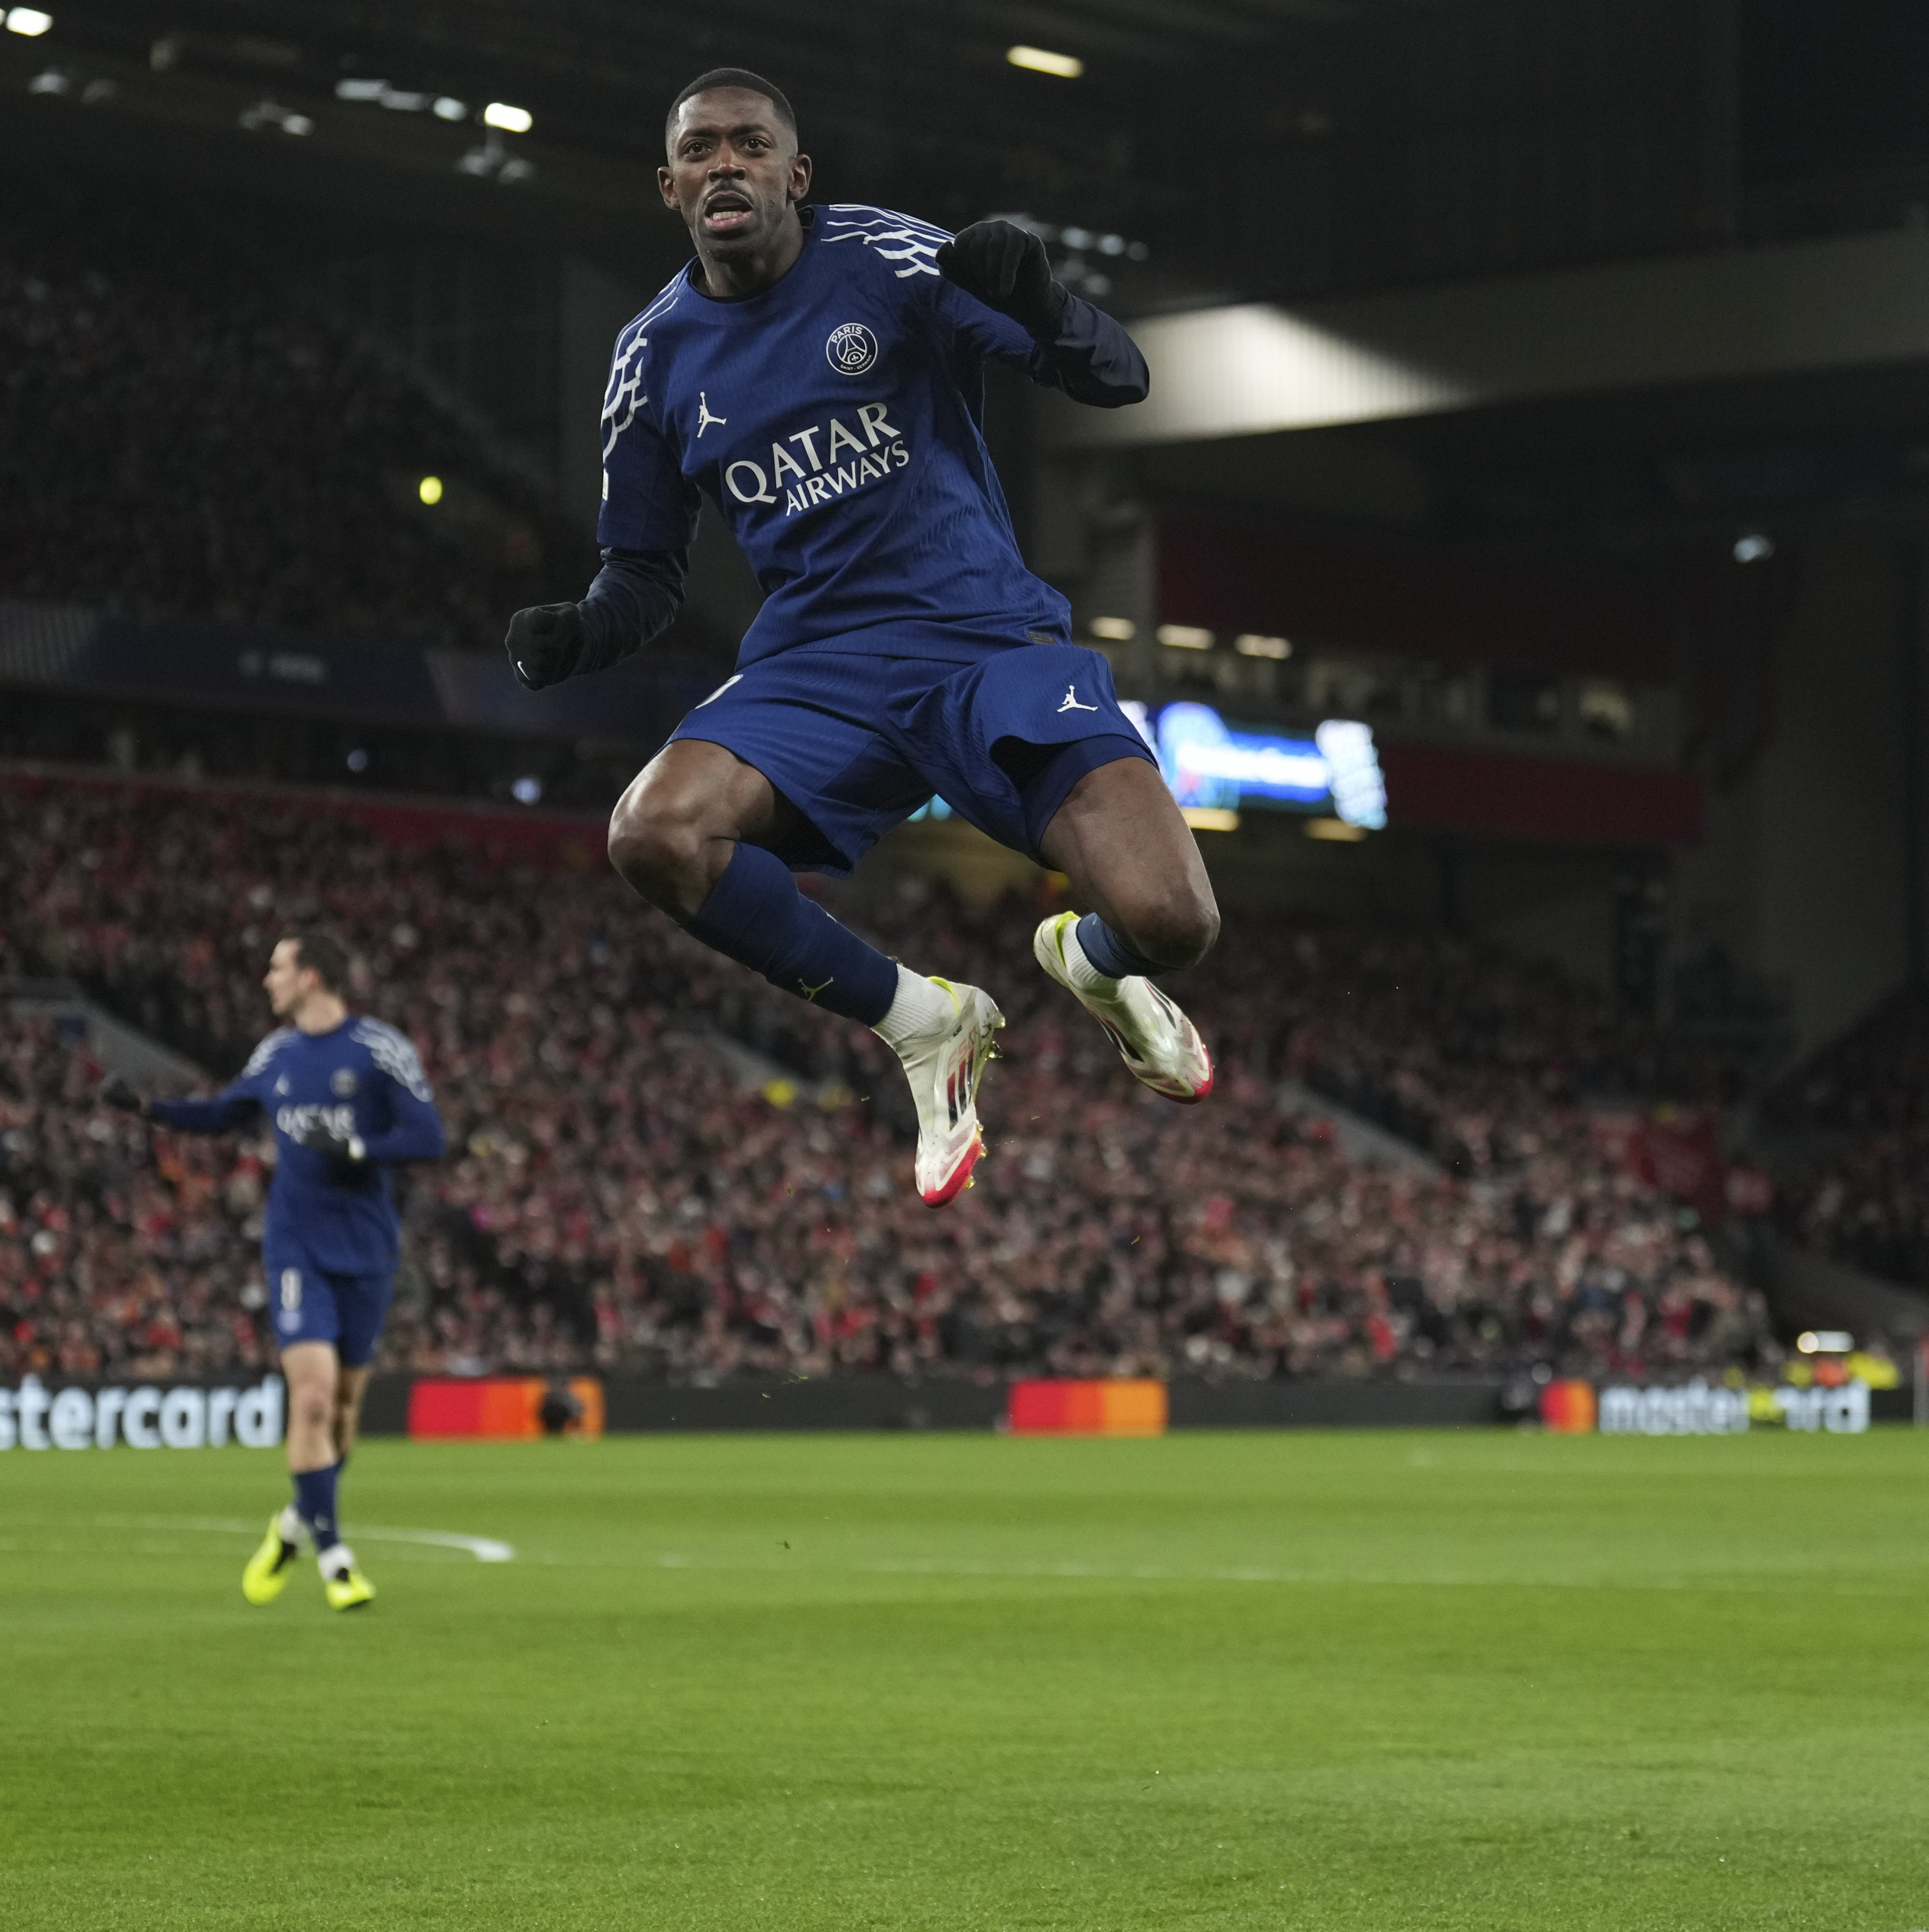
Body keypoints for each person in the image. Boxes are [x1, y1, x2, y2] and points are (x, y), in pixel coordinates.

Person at [506, 69, 1218, 1208]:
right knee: (653, 832)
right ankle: (922, 1021)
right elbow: (644, 572)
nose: (723, 164)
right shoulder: (652, 357)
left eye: (749, 145)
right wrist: (586, 632)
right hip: (814, 671)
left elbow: (1116, 376)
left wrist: (1042, 307)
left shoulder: (890, 261)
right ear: (669, 185)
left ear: (797, 174)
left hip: (985, 645)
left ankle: (1090, 963)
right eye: (700, 151)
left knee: (1173, 922)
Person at [102, 936, 446, 1611]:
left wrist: (352, 1146)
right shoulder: (275, 1053)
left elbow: (427, 1137)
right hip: (296, 1247)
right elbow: (225, 1113)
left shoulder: (380, 1048)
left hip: (367, 1248)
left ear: (311, 975)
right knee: (312, 1398)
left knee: (342, 1411)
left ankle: (294, 1523)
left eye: (278, 968)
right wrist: (149, 1109)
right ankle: (336, 1560)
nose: (266, 980)